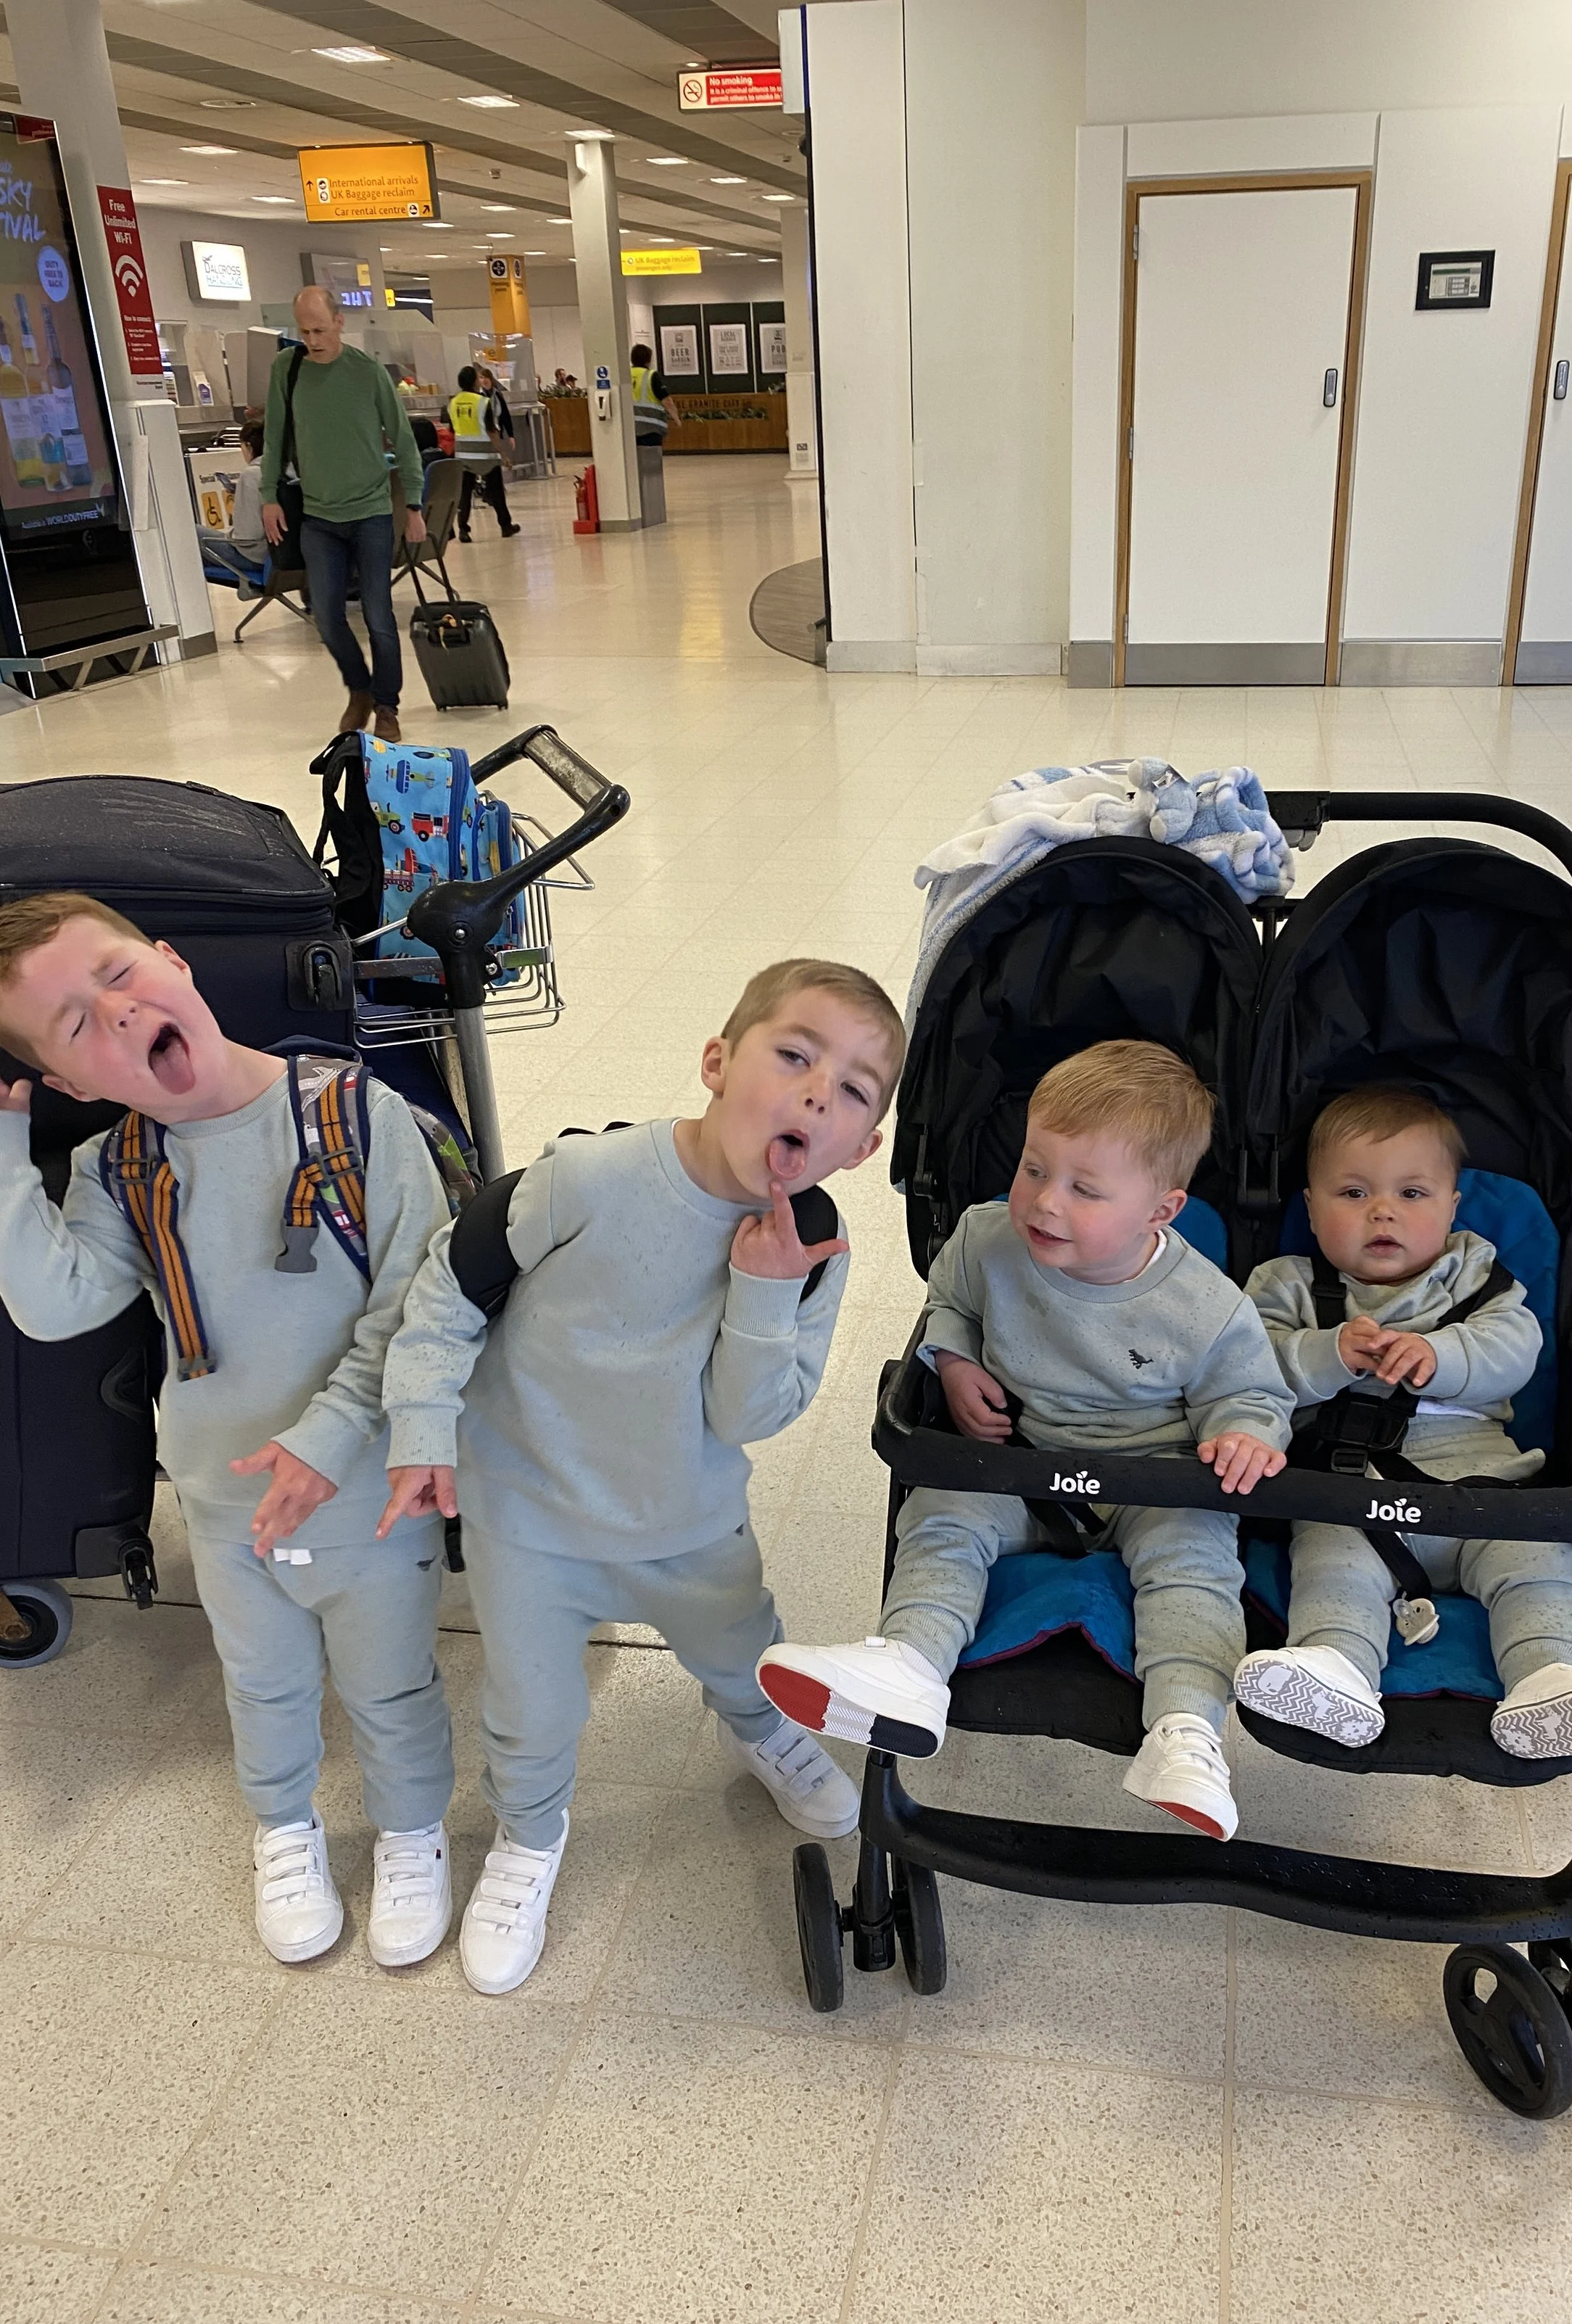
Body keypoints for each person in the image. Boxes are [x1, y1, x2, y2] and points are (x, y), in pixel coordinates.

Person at [378, 959, 908, 1994]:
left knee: (740, 1646)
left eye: (852, 1090)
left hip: (686, 1517)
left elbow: (748, 1416)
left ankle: (759, 1732)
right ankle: (529, 1834)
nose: (816, 1094)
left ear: (863, 1145)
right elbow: (451, 1286)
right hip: (528, 1512)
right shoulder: (588, 1179)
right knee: (532, 1708)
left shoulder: (816, 1247)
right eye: (794, 1056)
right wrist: (422, 1422)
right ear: (717, 1063)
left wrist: (764, 1290)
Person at [0, 894, 456, 1967]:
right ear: (70, 1084)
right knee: (260, 1681)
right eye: (75, 1024)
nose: (117, 1013)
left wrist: (328, 1439)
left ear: (173, 962)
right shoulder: (119, 1169)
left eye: (119, 974)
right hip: (224, 1498)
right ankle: (285, 1826)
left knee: (392, 1680)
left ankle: (411, 1832)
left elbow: (420, 1305)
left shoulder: (358, 1115)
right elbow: (53, 1303)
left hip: (370, 1489)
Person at [756, 1041, 1294, 1840]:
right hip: (1019, 1460)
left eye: (1084, 1189)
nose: (1044, 1202)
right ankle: (911, 1664)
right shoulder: (985, 1239)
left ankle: (1185, 1731)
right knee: (943, 1512)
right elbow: (949, 1302)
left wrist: (1245, 1432)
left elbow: (1251, 1392)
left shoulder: (1205, 1306)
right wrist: (955, 1360)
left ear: (1160, 1211)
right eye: (1034, 1169)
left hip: (1151, 1480)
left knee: (1197, 1564)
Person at [1234, 1085, 1572, 1760]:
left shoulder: (1473, 1275)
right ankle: (1335, 1669)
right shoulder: (1285, 1284)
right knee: (1333, 1570)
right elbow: (1247, 1369)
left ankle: (1550, 1678)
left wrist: (1443, 1355)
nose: (1382, 1211)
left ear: (1453, 1206)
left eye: (1412, 1193)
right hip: (1350, 1495)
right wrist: (1325, 1353)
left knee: (1540, 1565)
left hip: (1482, 1485)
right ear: (1309, 1208)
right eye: (1352, 1193)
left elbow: (1517, 1348)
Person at [260, 287, 425, 743]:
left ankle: (387, 706)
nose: (312, 341)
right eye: (304, 332)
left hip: (371, 511)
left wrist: (413, 504)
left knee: (378, 616)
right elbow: (274, 437)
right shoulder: (287, 369)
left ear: (339, 322)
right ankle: (360, 689)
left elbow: (403, 439)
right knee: (328, 617)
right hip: (318, 516)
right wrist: (269, 495)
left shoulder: (367, 373)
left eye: (320, 330)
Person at [446, 366, 519, 543]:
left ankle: (463, 529)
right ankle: (505, 526)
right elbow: (492, 431)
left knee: (465, 493)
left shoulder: (453, 403)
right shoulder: (483, 402)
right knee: (497, 491)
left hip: (463, 455)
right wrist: (503, 454)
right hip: (486, 455)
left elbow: (452, 429)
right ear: (474, 382)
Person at [196, 417, 268, 582]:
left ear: (249, 446)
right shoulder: (283, 470)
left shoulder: (251, 475)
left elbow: (248, 535)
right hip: (277, 556)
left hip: (253, 557)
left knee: (190, 531)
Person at [629, 342, 676, 446]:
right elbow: (667, 401)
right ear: (648, 360)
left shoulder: (625, 374)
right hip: (651, 429)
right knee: (651, 456)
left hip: (629, 428)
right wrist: (676, 419)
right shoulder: (651, 375)